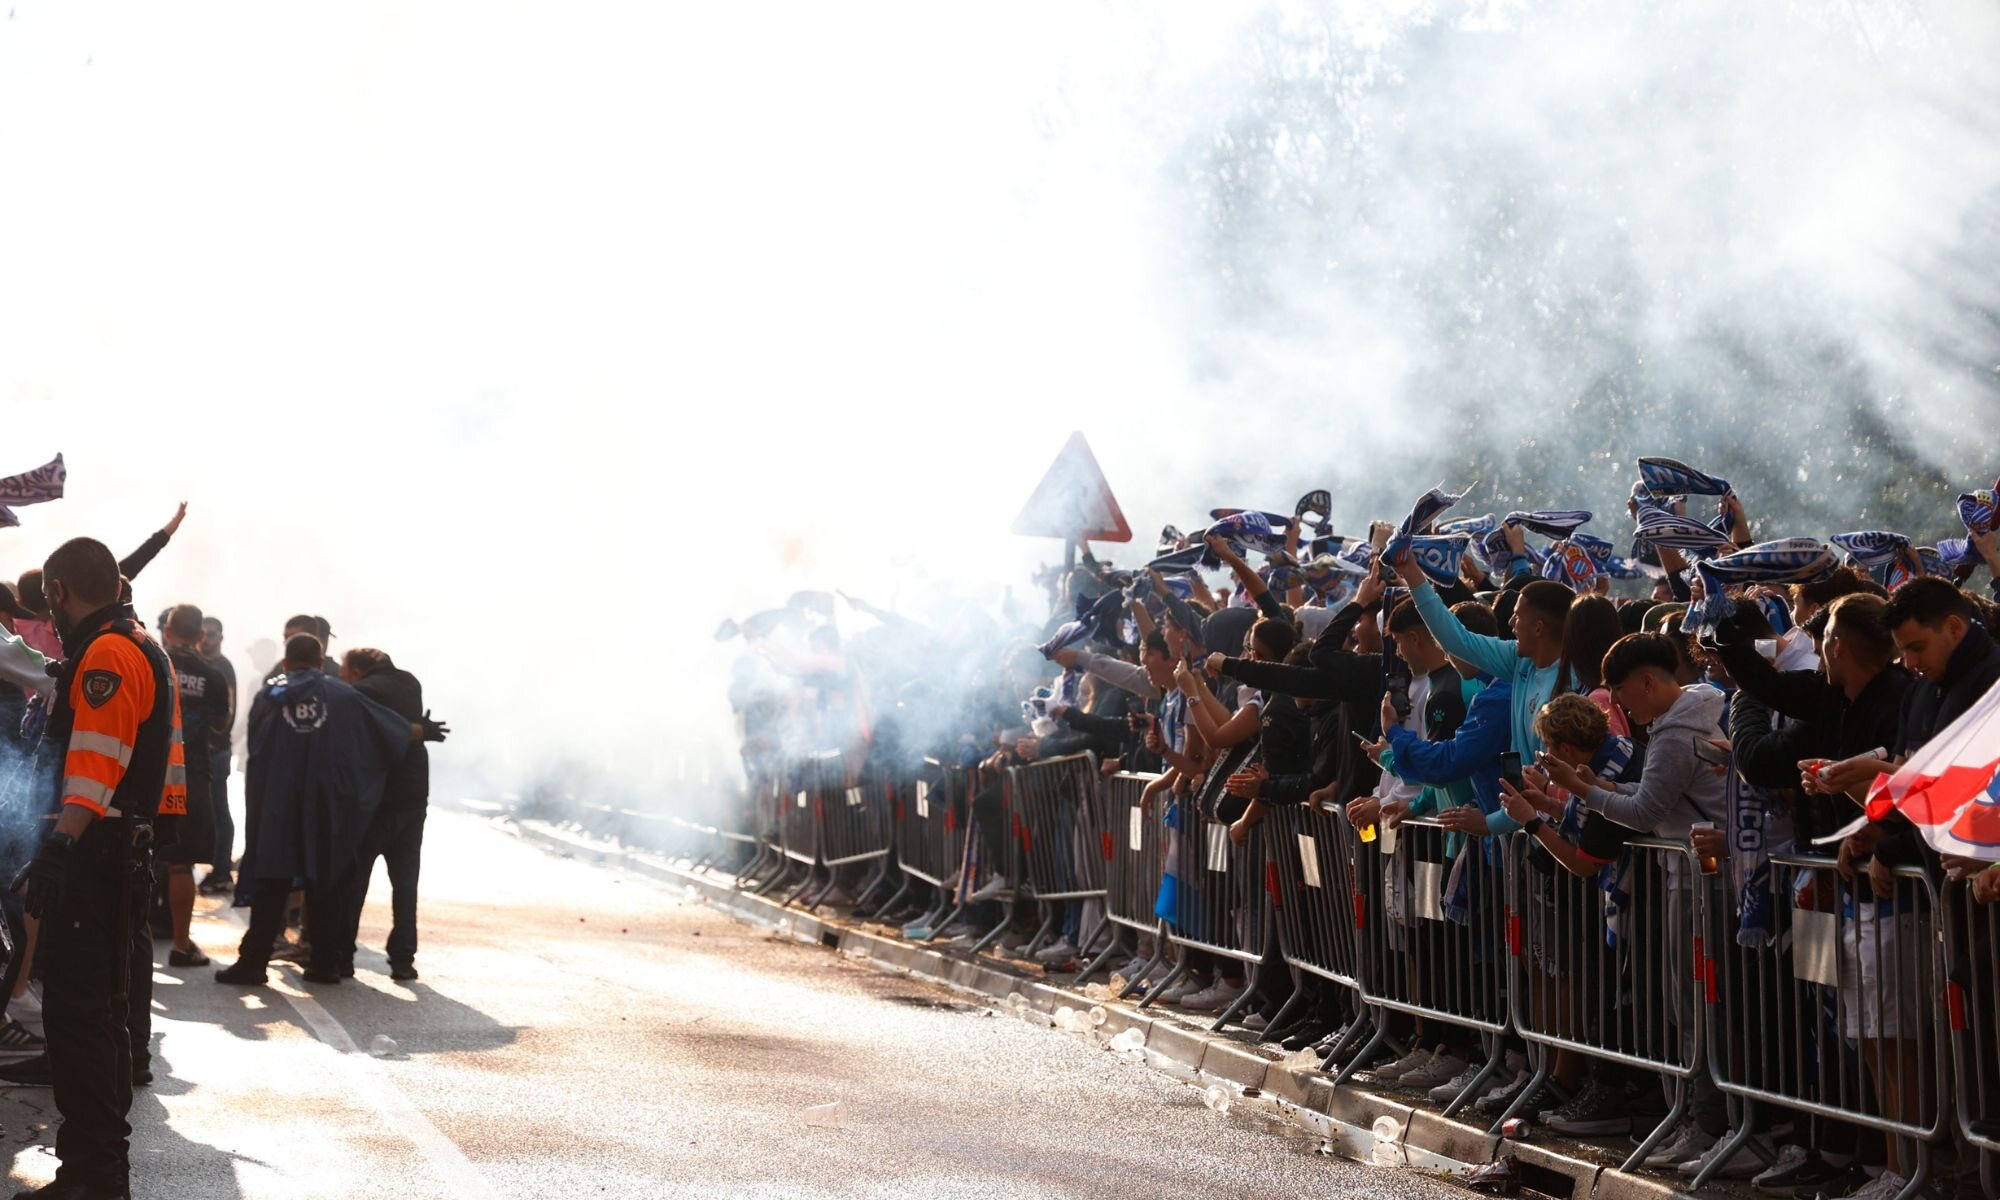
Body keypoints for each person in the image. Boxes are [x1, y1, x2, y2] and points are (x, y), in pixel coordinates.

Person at [13, 536, 183, 1200]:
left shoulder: (109, 653)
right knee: (99, 1019)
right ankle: (96, 1171)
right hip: (118, 853)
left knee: (79, 1021)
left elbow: (95, 763)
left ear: (57, 592)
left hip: (95, 855)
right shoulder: (138, 643)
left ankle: (94, 1176)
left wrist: (58, 846)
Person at [215, 634, 431, 987]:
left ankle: (253, 962)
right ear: (320, 663)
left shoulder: (270, 695)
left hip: (279, 804)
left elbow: (256, 748)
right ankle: (325, 964)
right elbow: (386, 728)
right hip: (326, 805)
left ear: (286, 663)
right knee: (326, 882)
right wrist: (422, 731)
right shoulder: (344, 696)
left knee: (272, 883)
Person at [340, 648, 435, 981]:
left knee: (354, 882)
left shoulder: (361, 693)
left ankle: (342, 955)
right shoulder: (410, 683)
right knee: (406, 884)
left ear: (356, 671)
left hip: (377, 802)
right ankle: (403, 959)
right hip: (413, 799)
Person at [157, 605, 230, 968]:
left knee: (133, 855)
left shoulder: (152, 663)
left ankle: (126, 939)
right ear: (201, 635)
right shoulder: (212, 675)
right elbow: (220, 724)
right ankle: (181, 943)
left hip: (148, 771)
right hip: (190, 773)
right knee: (181, 863)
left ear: (168, 632)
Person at [196, 615, 239, 896]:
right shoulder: (201, 664)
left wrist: (214, 738)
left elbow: (229, 710)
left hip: (216, 751)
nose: (206, 639)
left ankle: (222, 869)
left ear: (221, 638)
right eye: (203, 633)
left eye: (211, 634)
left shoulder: (222, 667)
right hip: (202, 749)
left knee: (219, 810)